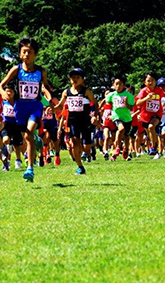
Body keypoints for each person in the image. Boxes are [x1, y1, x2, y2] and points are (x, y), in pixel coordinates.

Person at [0, 36, 52, 182]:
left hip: (35, 106)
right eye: (24, 52)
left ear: (35, 54)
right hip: (20, 107)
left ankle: (30, 168)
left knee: (28, 134)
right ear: (20, 54)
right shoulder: (16, 70)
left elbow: (45, 86)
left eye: (30, 52)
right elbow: (1, 84)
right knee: (26, 137)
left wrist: (49, 101)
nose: (27, 55)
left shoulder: (41, 71)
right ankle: (36, 140)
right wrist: (3, 92)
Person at [54, 68, 98, 175]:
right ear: (69, 79)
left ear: (82, 79)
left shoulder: (86, 92)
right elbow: (60, 105)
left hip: (85, 121)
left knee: (86, 147)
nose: (75, 79)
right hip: (73, 121)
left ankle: (87, 153)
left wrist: (94, 115)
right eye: (73, 77)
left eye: (78, 77)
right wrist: (52, 108)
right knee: (74, 143)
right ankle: (80, 167)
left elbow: (95, 104)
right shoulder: (66, 92)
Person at [136, 72, 165, 158]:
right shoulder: (143, 91)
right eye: (148, 81)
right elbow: (138, 103)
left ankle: (153, 147)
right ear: (145, 82)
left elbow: (164, 94)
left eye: (153, 80)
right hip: (146, 115)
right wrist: (146, 98)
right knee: (149, 131)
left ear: (155, 81)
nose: (151, 82)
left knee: (151, 127)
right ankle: (154, 145)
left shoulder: (158, 90)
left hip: (157, 114)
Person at [105, 76, 135, 161]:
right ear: (113, 85)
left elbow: (131, 108)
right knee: (121, 129)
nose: (118, 86)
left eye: (120, 84)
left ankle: (126, 149)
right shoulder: (111, 95)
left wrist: (126, 104)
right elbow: (108, 103)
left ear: (124, 85)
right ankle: (117, 147)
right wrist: (110, 113)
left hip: (127, 118)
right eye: (116, 84)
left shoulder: (128, 95)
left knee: (126, 136)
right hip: (116, 116)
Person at [0, 85, 24, 170]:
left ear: (14, 93)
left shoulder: (17, 102)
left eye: (10, 91)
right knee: (6, 141)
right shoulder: (2, 101)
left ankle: (18, 160)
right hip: (6, 124)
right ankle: (6, 162)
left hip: (16, 124)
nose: (8, 93)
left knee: (17, 144)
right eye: (7, 91)